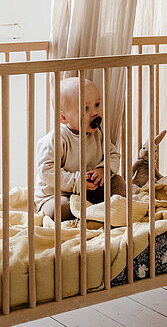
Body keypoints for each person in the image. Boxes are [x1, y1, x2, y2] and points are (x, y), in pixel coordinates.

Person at [35, 77, 125, 220]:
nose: (95, 113)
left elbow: (113, 154)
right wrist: (76, 182)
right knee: (59, 209)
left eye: (97, 104)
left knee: (118, 183)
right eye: (85, 108)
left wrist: (104, 169)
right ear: (63, 117)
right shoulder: (56, 138)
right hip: (57, 194)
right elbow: (46, 170)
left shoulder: (97, 134)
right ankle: (88, 213)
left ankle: (105, 212)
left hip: (89, 191)